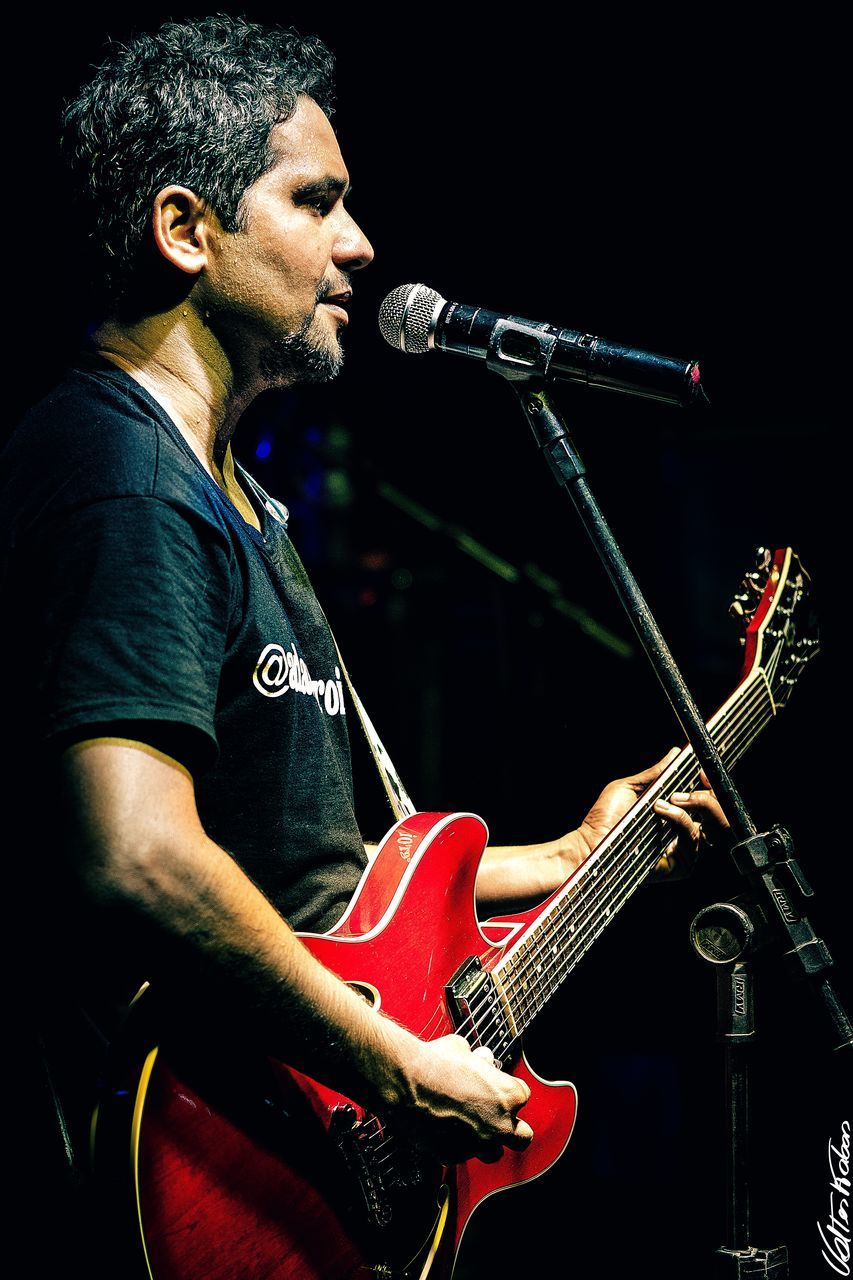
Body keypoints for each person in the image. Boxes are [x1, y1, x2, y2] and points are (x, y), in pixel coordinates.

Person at [1, 15, 726, 1275]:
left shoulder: (231, 493)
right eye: (316, 201)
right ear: (187, 231)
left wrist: (566, 854)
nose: (360, 244)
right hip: (195, 1150)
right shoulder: (120, 472)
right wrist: (395, 1064)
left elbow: (323, 875)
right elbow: (138, 852)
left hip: (303, 1138)